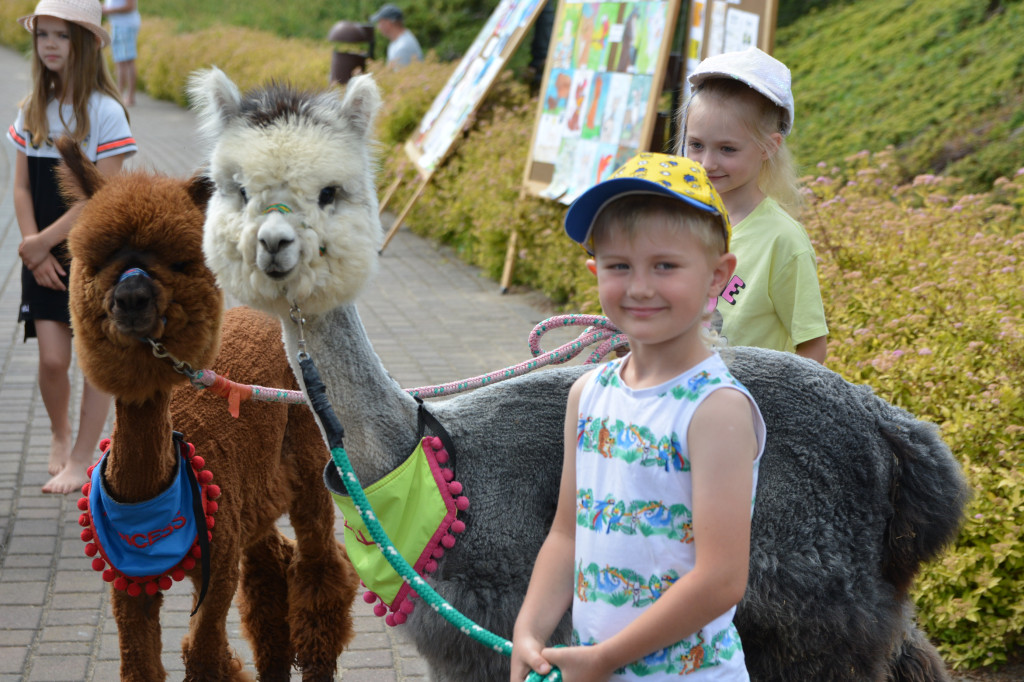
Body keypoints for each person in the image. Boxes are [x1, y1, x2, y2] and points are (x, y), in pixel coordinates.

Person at [511, 153, 766, 681]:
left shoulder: (715, 409)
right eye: (620, 266)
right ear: (595, 271)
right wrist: (528, 633)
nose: (640, 287)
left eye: (665, 266)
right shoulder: (587, 394)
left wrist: (607, 657)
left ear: (718, 276)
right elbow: (566, 533)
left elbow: (722, 579)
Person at [8, 0, 137, 494]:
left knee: (95, 360)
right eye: (43, 36)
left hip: (90, 253)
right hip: (37, 250)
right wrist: (30, 247)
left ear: (83, 43)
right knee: (53, 360)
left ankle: (84, 456)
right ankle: (60, 435)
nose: (50, 46)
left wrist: (43, 243)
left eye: (61, 36)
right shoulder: (32, 110)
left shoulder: (105, 112)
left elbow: (96, 197)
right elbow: (21, 187)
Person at [679, 47, 829, 364]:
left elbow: (812, 346)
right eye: (696, 145)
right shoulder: (677, 218)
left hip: (748, 406)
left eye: (727, 149)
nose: (707, 163)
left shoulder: (783, 240)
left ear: (768, 147)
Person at [101, 0, 140, 106]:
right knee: (120, 61)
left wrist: (109, 10)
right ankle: (120, 94)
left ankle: (128, 96)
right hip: (118, 25)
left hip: (125, 26)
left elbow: (130, 6)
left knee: (126, 61)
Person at [369, 3, 422, 69]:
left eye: (380, 22)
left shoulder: (403, 48)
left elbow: (399, 78)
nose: (378, 27)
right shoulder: (397, 42)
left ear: (388, 23)